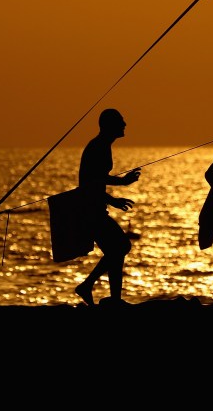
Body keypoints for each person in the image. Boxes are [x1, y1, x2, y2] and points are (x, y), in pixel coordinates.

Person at [74, 108, 141, 306]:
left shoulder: (103, 145)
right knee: (121, 246)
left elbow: (98, 179)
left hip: (94, 207)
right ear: (110, 125)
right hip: (90, 210)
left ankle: (114, 299)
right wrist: (118, 192)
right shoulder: (98, 147)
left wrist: (120, 187)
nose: (125, 124)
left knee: (116, 249)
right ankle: (87, 285)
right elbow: (92, 182)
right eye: (121, 121)